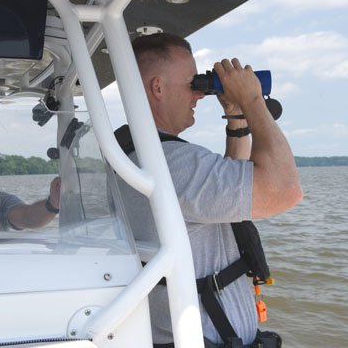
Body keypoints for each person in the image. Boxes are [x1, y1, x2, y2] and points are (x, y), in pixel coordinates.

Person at [115, 33, 302, 347]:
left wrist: (237, 119)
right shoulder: (174, 163)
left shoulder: (137, 152)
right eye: (193, 83)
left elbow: (225, 198)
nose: (199, 95)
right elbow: (285, 189)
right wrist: (253, 101)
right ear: (157, 88)